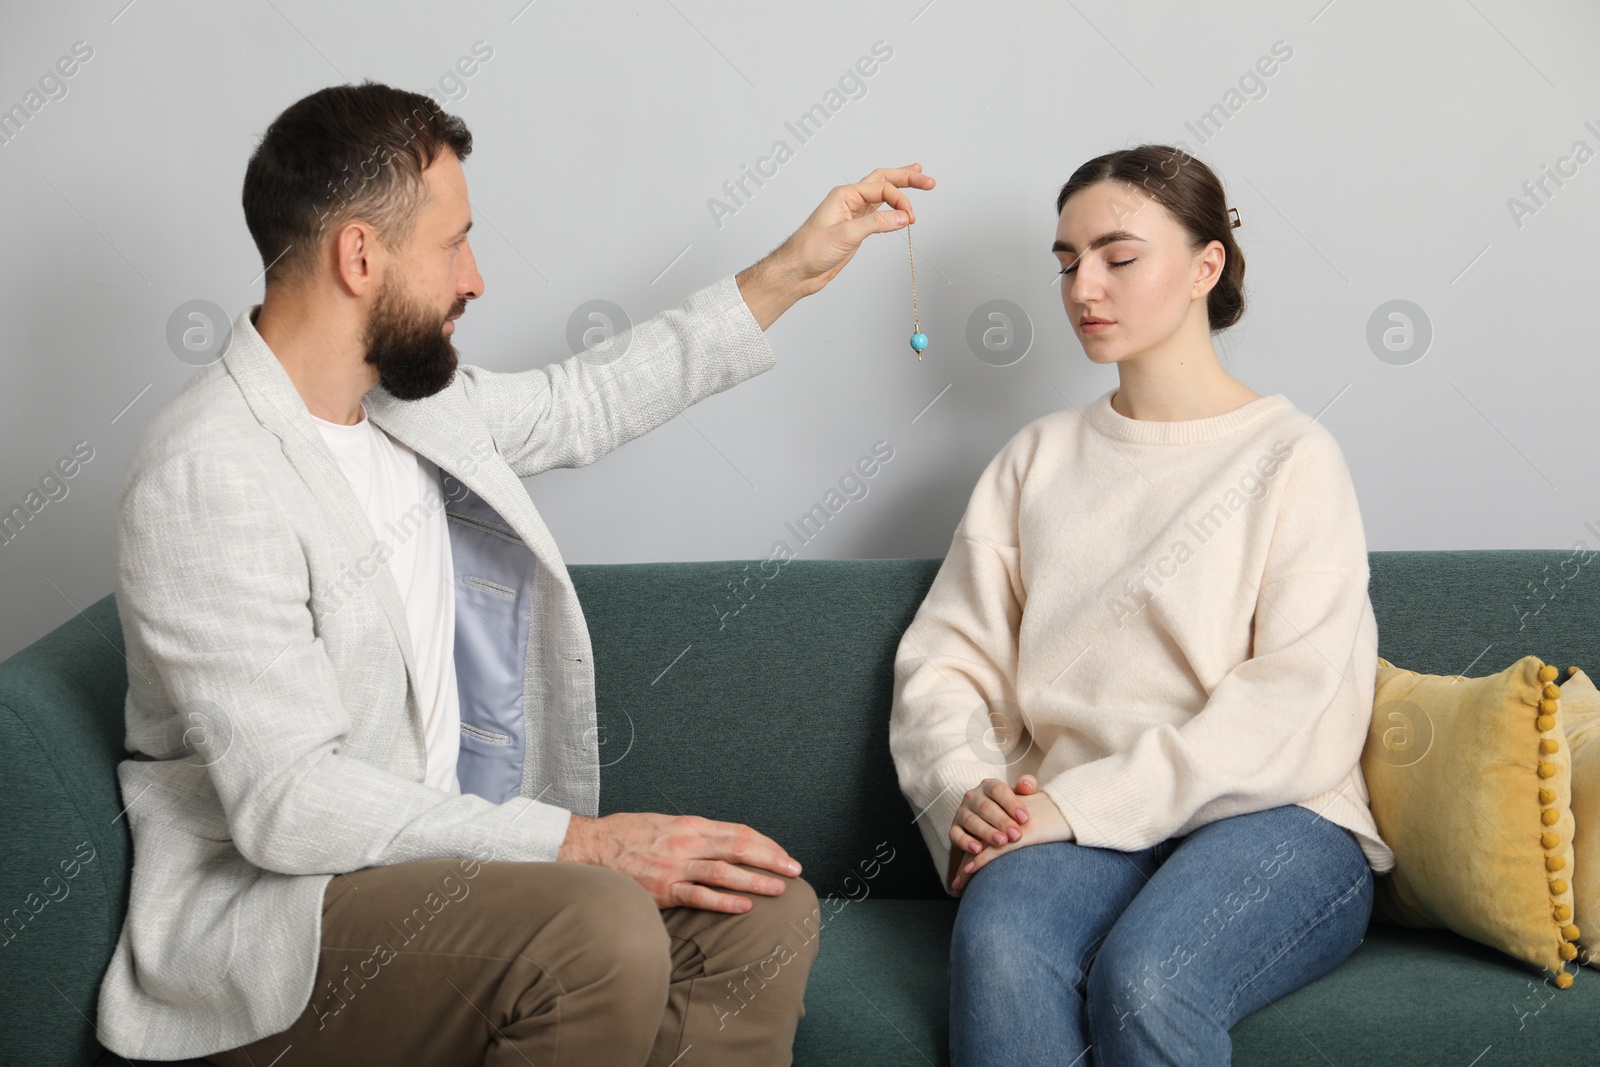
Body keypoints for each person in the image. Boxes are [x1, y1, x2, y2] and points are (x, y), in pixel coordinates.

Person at [95, 79, 933, 1067]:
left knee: (756, 910)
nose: (476, 277)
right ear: (359, 255)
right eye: (453, 243)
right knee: (596, 928)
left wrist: (793, 269)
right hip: (283, 922)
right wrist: (585, 843)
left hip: (443, 875)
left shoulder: (411, 406)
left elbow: (587, 400)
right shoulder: (210, 470)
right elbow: (289, 804)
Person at [888, 143, 1395, 1066]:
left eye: (1119, 257)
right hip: (1064, 815)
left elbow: (1299, 698)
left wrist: (1081, 806)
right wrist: (965, 788)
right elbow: (944, 661)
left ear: (1207, 265)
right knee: (1001, 944)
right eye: (1067, 260)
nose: (1086, 286)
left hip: (1279, 820)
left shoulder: (1293, 456)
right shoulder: (1034, 459)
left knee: (1149, 978)